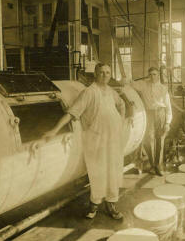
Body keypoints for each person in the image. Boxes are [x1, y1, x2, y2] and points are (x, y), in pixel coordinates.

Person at [44, 63, 125, 220]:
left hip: (113, 138)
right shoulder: (89, 92)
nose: (105, 75)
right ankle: (94, 204)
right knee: (97, 172)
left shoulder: (111, 91)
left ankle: (111, 205)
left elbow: (121, 104)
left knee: (113, 171)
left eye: (108, 72)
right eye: (102, 72)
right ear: (95, 74)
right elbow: (72, 113)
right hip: (96, 139)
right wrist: (54, 130)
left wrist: (120, 120)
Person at [132, 67, 172, 176]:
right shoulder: (143, 85)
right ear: (148, 75)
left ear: (158, 75)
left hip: (160, 113)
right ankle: (152, 163)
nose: (152, 77)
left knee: (159, 139)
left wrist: (168, 122)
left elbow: (168, 107)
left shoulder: (163, 89)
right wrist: (124, 80)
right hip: (148, 114)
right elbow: (131, 84)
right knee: (147, 139)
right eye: (150, 74)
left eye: (154, 74)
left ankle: (157, 166)